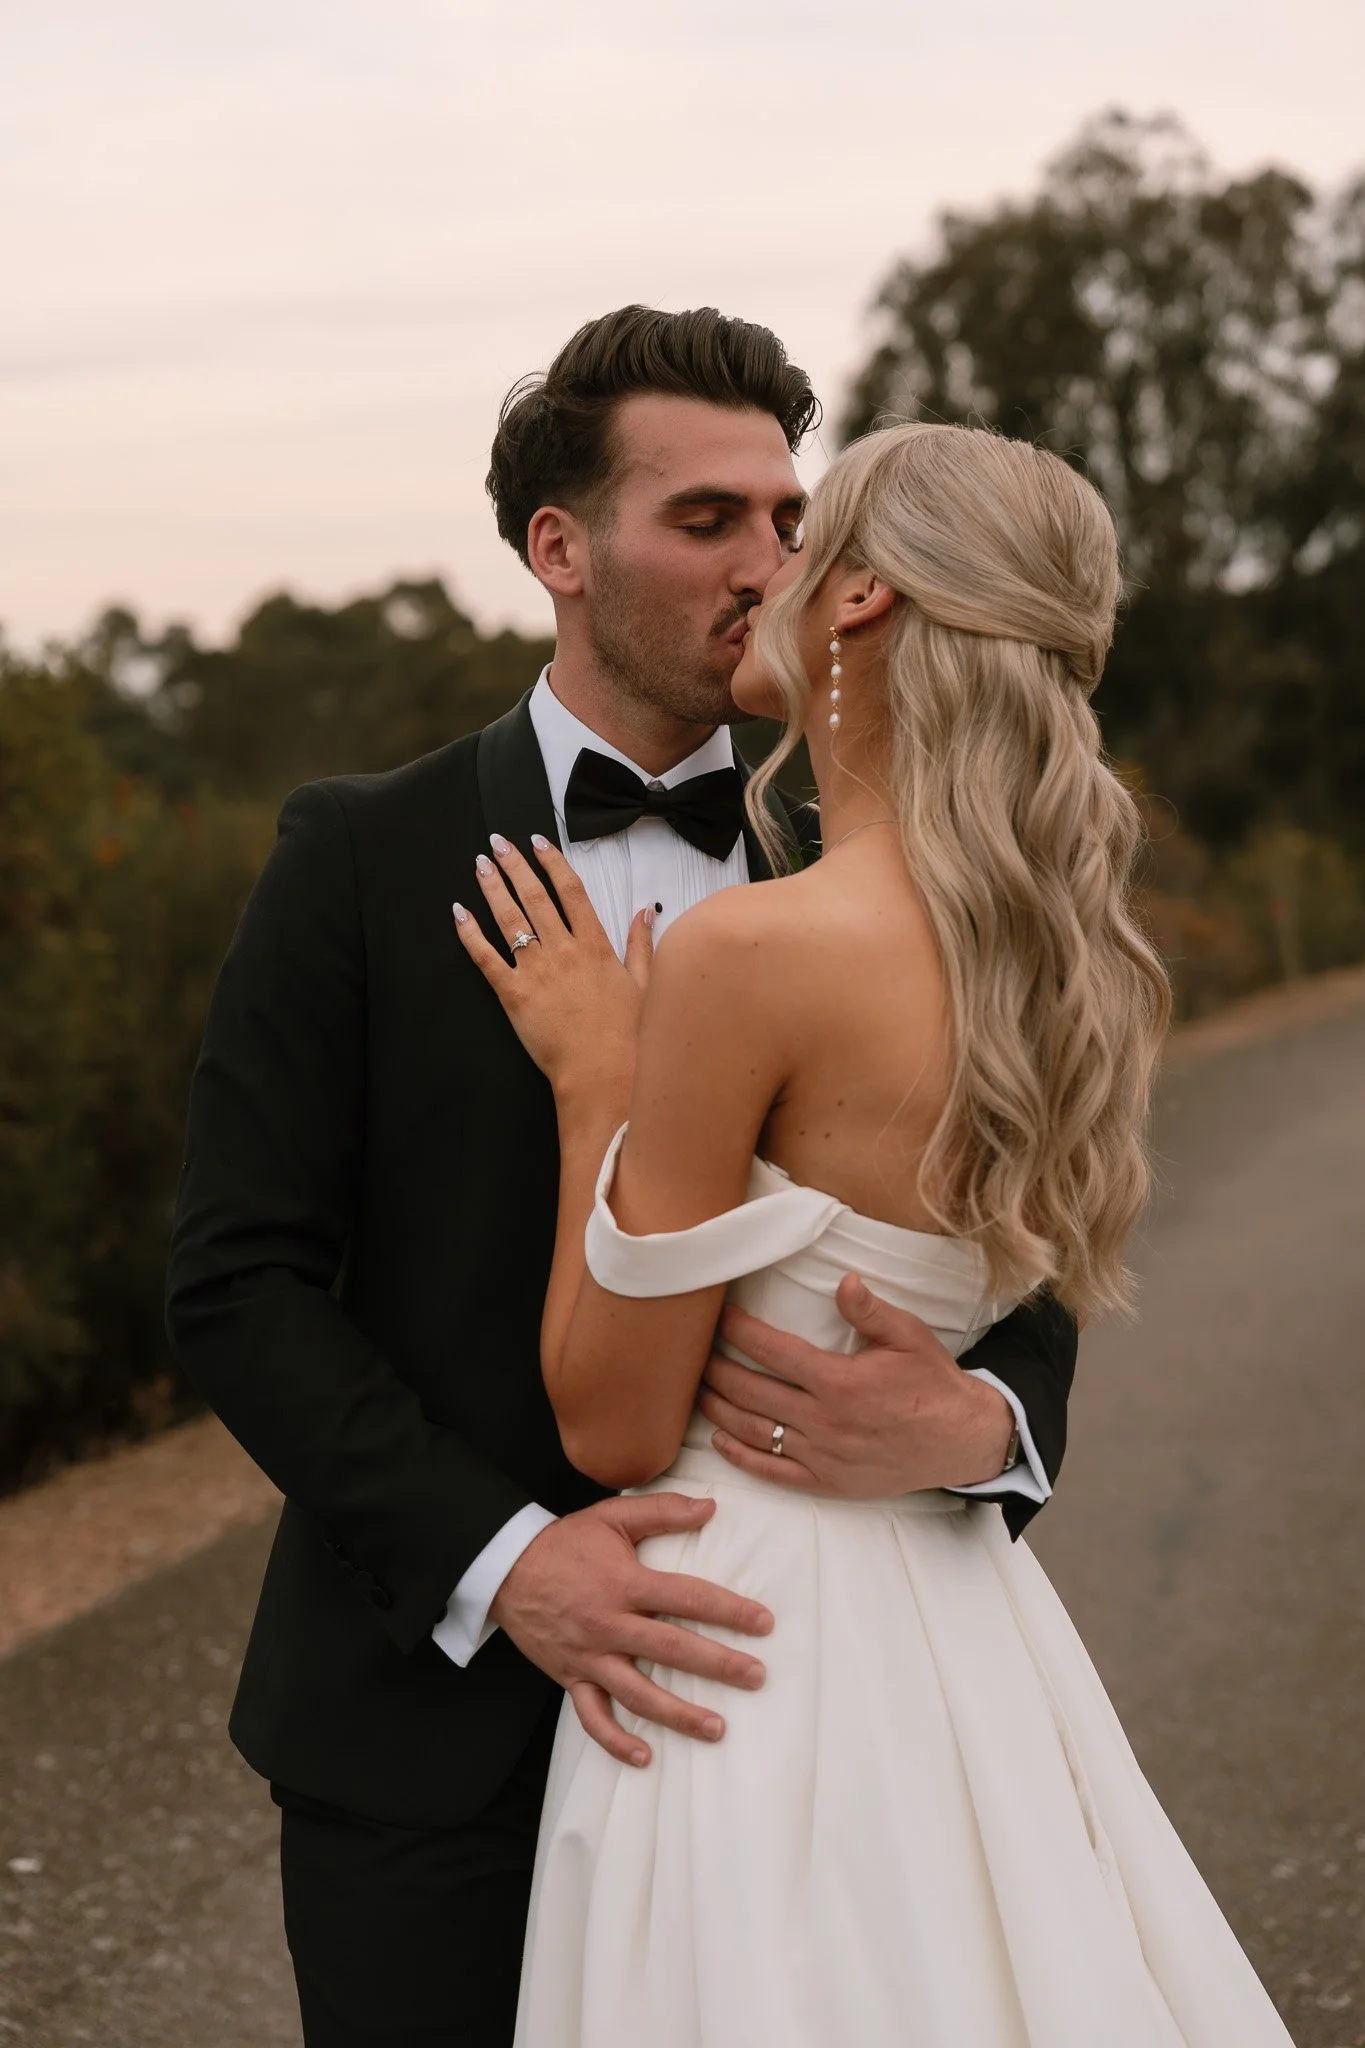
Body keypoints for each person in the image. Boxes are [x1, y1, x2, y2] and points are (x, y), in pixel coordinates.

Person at [165, 308, 1078, 2048]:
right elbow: (237, 1283)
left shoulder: (895, 865)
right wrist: (508, 1563)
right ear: (560, 551)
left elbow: (1019, 1236)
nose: (768, 561)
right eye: (707, 519)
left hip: (792, 1720)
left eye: (790, 521)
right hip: (427, 1737)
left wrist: (990, 1429)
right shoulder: (361, 854)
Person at [454, 419, 1295, 2044]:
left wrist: (595, 1085)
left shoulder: (752, 953)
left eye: (804, 534)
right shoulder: (1070, 961)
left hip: (739, 1633)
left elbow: (617, 1420)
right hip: (954, 1619)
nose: (764, 570)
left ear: (861, 602)